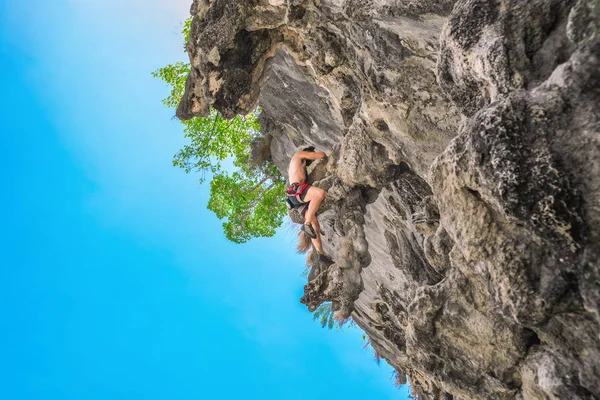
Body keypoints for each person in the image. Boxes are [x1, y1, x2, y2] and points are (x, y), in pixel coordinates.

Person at [286, 147, 334, 266]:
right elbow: (321, 154)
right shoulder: (298, 155)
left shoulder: (298, 167)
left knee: (315, 225)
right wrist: (314, 154)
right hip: (296, 190)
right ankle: (306, 225)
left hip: (295, 199)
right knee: (320, 194)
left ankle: (321, 254)